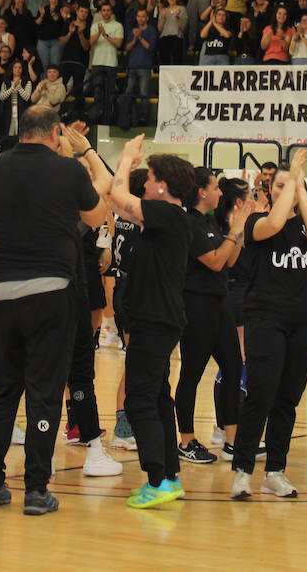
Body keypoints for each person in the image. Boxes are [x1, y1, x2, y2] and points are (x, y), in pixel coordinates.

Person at [0, 106, 111, 515]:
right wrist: (85, 153)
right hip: (50, 292)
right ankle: (35, 489)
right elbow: (96, 213)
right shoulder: (67, 170)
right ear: (56, 133)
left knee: (1, 393)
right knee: (44, 393)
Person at [230, 148, 307, 501]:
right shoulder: (257, 221)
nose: (290, 188)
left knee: (288, 399)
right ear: (271, 191)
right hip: (265, 319)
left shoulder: (305, 223)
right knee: (261, 394)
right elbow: (275, 223)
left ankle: (275, 470)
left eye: (295, 184)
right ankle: (242, 471)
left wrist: (299, 186)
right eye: (282, 184)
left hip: (303, 322)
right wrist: (291, 181)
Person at [108, 135, 196, 509]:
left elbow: (118, 195)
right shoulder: (166, 219)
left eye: (149, 178)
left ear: (162, 185)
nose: (143, 183)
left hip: (155, 321)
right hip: (159, 320)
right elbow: (118, 203)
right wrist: (92, 155)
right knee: (159, 397)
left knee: (140, 398)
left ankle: (157, 479)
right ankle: (170, 477)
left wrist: (127, 157)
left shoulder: (169, 214)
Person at [174, 166, 249, 466]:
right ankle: (186, 440)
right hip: (196, 307)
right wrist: (234, 231)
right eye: (215, 187)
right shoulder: (189, 223)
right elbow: (215, 262)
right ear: (202, 192)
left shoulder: (209, 222)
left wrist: (239, 229)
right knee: (191, 374)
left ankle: (232, 440)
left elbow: (230, 259)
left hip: (219, 305)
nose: (220, 192)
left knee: (233, 367)